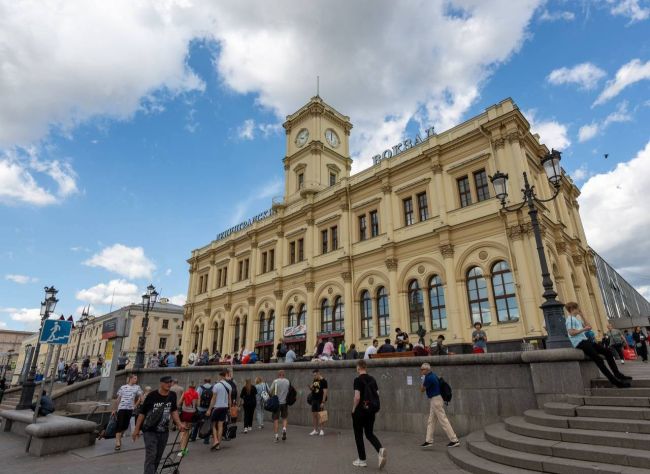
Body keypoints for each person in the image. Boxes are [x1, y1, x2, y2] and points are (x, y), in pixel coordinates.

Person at [565, 302, 631, 387]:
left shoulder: (576, 319)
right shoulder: (569, 319)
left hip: (585, 340)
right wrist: (583, 329)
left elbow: (589, 327)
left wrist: (582, 316)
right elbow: (571, 332)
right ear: (572, 309)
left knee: (608, 352)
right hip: (579, 342)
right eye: (578, 308)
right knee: (598, 359)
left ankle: (618, 374)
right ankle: (615, 382)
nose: (579, 309)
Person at [132, 376, 185, 474]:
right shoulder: (152, 395)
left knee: (158, 456)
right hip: (150, 430)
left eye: (170, 382)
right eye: (166, 382)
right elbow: (142, 413)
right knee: (151, 455)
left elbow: (173, 411)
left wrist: (179, 424)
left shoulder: (172, 395)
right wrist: (136, 429)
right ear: (161, 383)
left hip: (164, 431)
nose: (169, 384)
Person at [351, 359, 386, 469]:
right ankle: (380, 449)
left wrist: (353, 409)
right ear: (366, 367)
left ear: (358, 367)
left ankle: (362, 460)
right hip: (371, 411)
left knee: (358, 435)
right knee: (369, 434)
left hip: (360, 412)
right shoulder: (373, 379)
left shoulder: (357, 380)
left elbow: (357, 397)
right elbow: (378, 394)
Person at [419, 363, 460, 448]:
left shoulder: (428, 378)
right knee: (431, 420)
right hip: (435, 400)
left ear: (427, 370)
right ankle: (429, 440)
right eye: (421, 369)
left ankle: (454, 440)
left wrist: (422, 380)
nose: (421, 371)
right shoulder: (432, 375)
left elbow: (422, 389)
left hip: (435, 400)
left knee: (443, 420)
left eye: (422, 369)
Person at [113, 374, 143, 451]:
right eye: (135, 378)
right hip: (121, 408)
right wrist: (114, 409)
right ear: (130, 379)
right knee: (120, 424)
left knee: (125, 426)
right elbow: (118, 399)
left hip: (130, 409)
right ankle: (117, 443)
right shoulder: (123, 387)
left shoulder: (137, 387)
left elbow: (141, 396)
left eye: (136, 378)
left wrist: (137, 404)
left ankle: (119, 438)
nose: (136, 379)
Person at [206, 371, 231, 450]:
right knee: (220, 426)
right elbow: (229, 399)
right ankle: (218, 444)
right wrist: (229, 408)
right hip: (224, 407)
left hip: (217, 407)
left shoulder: (216, 386)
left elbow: (213, 399)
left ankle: (216, 440)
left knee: (213, 425)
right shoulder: (229, 386)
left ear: (221, 376)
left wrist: (209, 409)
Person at [270, 369, 291, 442]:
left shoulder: (275, 381)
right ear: (284, 375)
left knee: (276, 420)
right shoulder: (287, 381)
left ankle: (276, 437)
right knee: (284, 418)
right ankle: (284, 429)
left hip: (276, 403)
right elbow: (289, 391)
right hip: (284, 403)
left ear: (278, 375)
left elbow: (270, 391)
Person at [178, 381, 198, 455]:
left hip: (184, 413)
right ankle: (185, 448)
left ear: (189, 387)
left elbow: (179, 402)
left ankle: (182, 449)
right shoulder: (196, 393)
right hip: (192, 414)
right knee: (187, 431)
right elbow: (197, 404)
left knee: (182, 430)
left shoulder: (185, 393)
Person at [191, 378, 213, 444]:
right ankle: (206, 440)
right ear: (210, 381)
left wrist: (196, 407)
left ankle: (193, 437)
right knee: (207, 424)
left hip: (200, 409)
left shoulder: (200, 388)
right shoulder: (213, 388)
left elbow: (197, 397)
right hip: (209, 409)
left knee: (197, 423)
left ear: (204, 381)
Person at [309, 368, 328, 436]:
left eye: (315, 375)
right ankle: (315, 430)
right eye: (313, 375)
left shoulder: (324, 381)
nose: (314, 376)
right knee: (314, 414)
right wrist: (311, 388)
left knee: (322, 414)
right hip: (314, 399)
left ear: (318, 373)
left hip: (320, 399)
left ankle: (322, 430)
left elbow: (325, 392)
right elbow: (314, 389)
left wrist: (323, 402)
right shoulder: (315, 379)